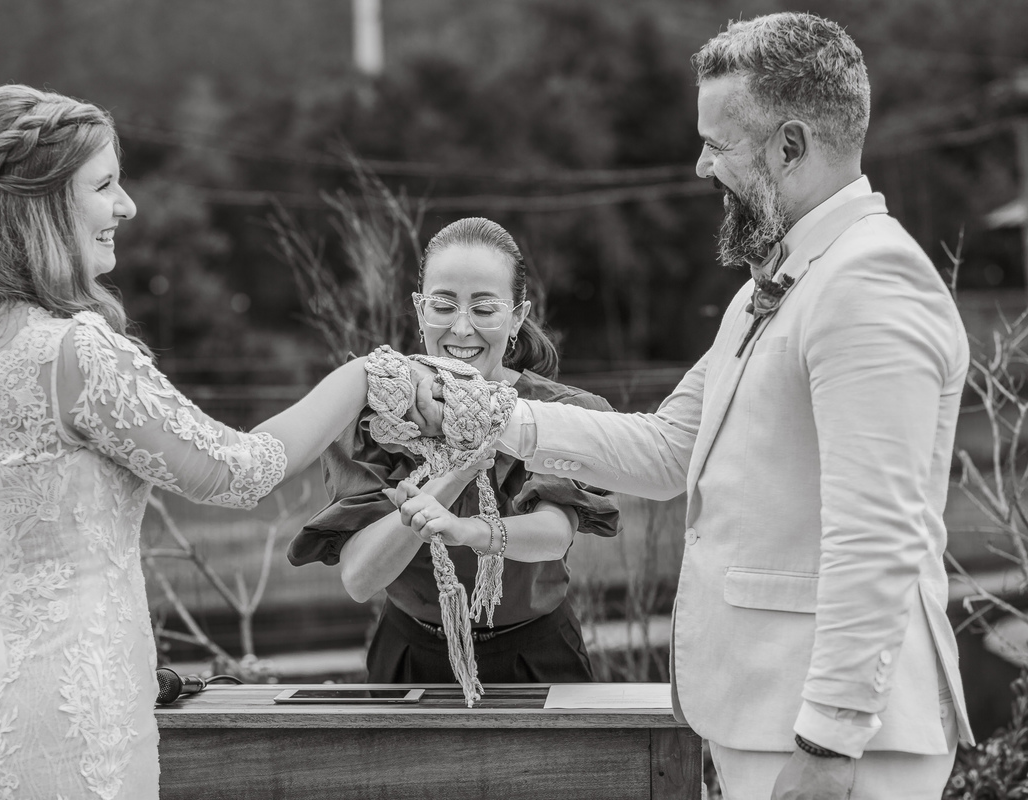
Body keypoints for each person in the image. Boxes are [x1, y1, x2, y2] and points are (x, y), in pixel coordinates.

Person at [400, 13, 973, 800]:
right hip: (766, 716)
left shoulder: (870, 283)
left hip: (838, 741)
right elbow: (669, 449)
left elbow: (877, 537)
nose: (702, 165)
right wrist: (491, 413)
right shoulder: (772, 287)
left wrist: (829, 742)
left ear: (791, 145)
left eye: (718, 143)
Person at [0, 84, 431, 800]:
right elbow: (237, 472)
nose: (128, 206)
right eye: (105, 184)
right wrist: (361, 376)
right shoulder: (70, 354)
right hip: (63, 721)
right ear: (43, 203)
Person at [288, 217, 619, 685]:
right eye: (444, 305)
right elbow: (359, 578)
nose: (462, 328)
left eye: (484, 309)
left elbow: (553, 532)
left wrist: (464, 529)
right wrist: (451, 480)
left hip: (538, 653)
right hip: (409, 653)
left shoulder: (558, 411)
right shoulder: (375, 414)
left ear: (518, 316)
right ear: (420, 310)